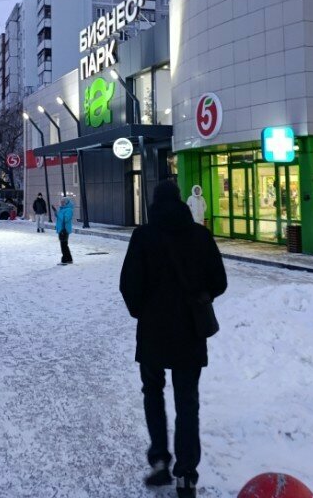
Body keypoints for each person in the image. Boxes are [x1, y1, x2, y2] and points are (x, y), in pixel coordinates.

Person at [119, 181, 227, 498]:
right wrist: (197, 298)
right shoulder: (199, 235)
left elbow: (129, 285)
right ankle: (186, 477)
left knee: (153, 394)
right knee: (187, 403)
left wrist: (143, 310)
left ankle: (160, 463)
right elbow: (219, 281)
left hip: (152, 332)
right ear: (181, 201)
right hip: (190, 333)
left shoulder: (143, 237)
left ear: (153, 203)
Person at [54, 196, 74, 264]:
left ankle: (65, 259)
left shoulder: (69, 210)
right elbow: (60, 218)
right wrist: (56, 213)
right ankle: (68, 258)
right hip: (61, 229)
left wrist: (58, 214)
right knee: (64, 244)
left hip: (64, 229)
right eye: (61, 202)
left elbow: (65, 219)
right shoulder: (62, 209)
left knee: (64, 245)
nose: (61, 203)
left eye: (63, 202)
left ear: (66, 203)